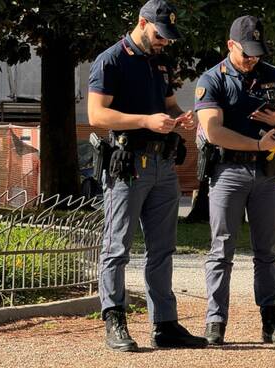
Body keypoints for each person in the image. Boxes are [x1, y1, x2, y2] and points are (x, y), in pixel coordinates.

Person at [87, 0, 207, 351]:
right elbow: (96, 114)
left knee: (162, 249)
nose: (164, 42)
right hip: (127, 165)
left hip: (162, 165)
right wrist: (145, 121)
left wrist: (182, 117)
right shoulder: (111, 60)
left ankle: (165, 324)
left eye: (168, 37)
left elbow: (168, 105)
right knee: (117, 247)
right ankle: (115, 321)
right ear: (142, 23)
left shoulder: (159, 62)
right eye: (159, 34)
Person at [194, 15, 275, 345]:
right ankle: (216, 321)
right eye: (247, 52)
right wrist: (257, 143)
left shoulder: (274, 76)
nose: (253, 59)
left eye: (258, 52)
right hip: (228, 172)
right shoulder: (213, 79)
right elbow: (212, 131)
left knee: (266, 251)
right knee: (221, 248)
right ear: (230, 45)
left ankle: (271, 320)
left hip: (268, 174)